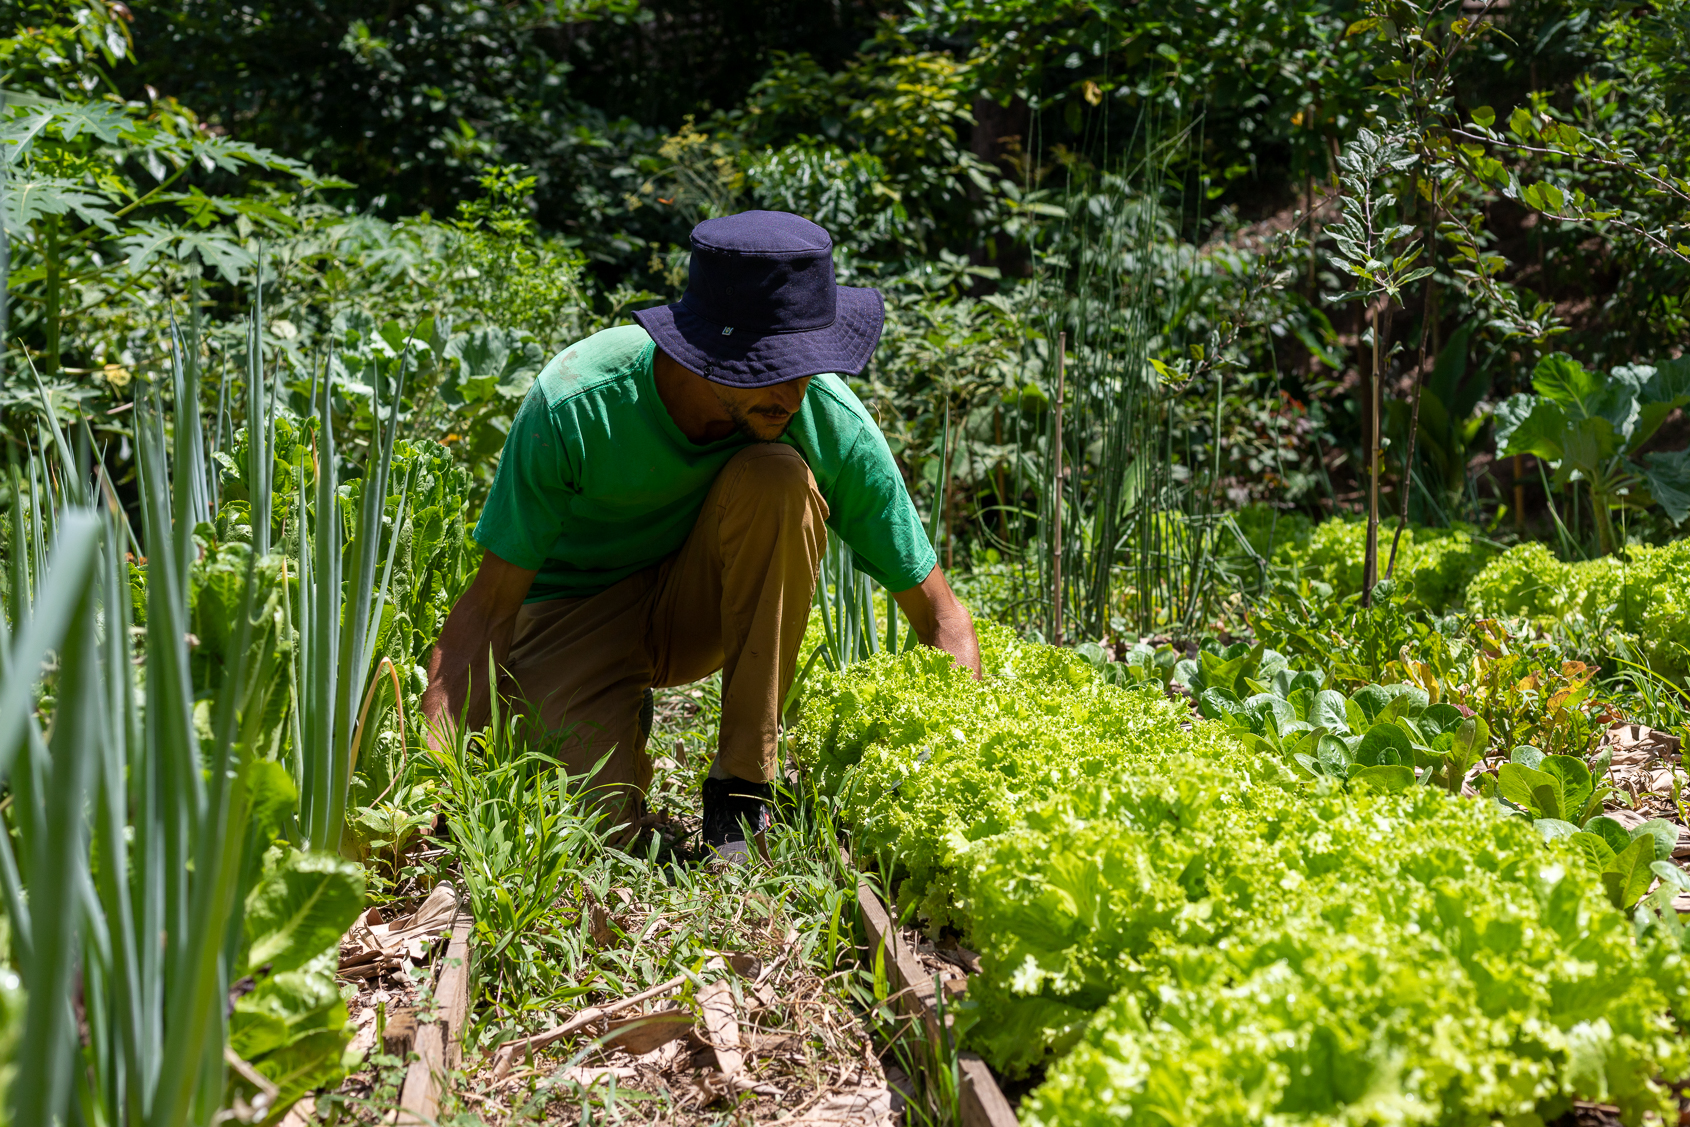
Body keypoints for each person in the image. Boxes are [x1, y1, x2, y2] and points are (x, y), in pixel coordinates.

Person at [419, 210, 980, 861]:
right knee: (581, 831)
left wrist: (953, 777)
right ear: (704, 347)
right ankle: (609, 716)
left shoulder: (823, 416)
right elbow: (488, 606)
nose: (794, 390)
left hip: (697, 609)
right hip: (578, 608)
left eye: (809, 363)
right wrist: (442, 780)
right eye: (770, 365)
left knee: (778, 478)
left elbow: (943, 619)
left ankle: (741, 794)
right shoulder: (577, 401)